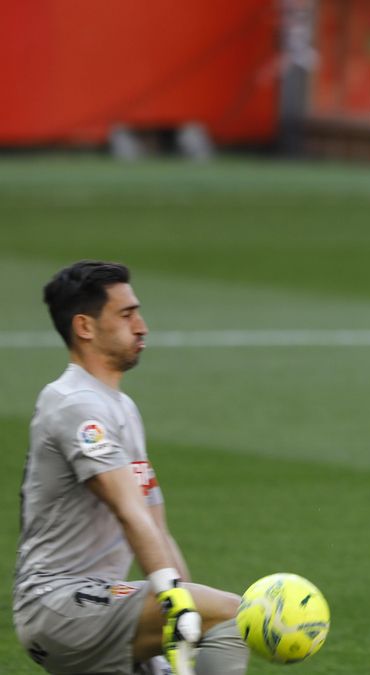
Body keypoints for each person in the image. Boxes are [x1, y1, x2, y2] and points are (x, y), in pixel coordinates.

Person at [13, 261, 249, 675]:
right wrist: (175, 599)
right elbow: (127, 507)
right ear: (85, 327)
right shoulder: (76, 405)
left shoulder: (121, 408)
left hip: (100, 602)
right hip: (61, 604)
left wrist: (182, 613)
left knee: (207, 625)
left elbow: (155, 526)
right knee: (234, 615)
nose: (142, 327)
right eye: (126, 315)